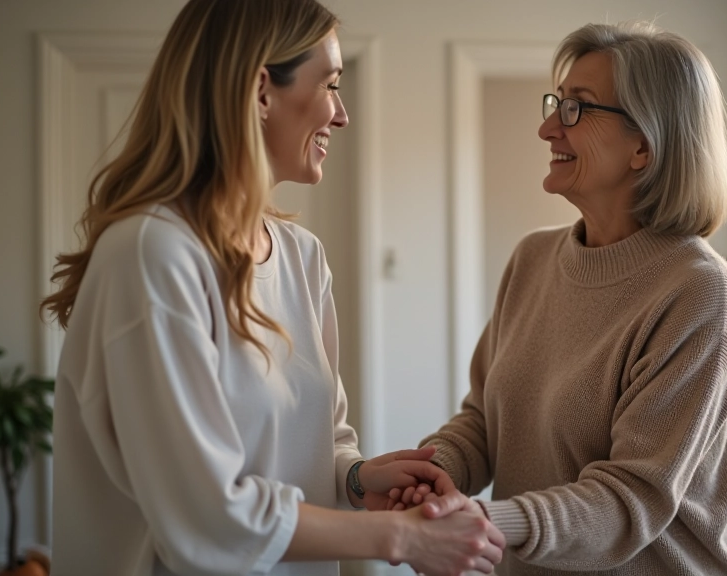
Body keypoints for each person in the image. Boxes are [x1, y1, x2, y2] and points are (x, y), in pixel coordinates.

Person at [42, 1, 502, 575]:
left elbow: (323, 442)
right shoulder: (152, 255)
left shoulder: (302, 258)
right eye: (331, 85)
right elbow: (207, 514)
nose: (341, 115)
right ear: (261, 90)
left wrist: (358, 479)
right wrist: (403, 538)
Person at [396, 21, 727, 575]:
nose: (546, 128)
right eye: (557, 102)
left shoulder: (698, 289)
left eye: (576, 108)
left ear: (644, 146)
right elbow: (485, 421)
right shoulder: (532, 259)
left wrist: (486, 522)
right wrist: (433, 474)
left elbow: (630, 496)